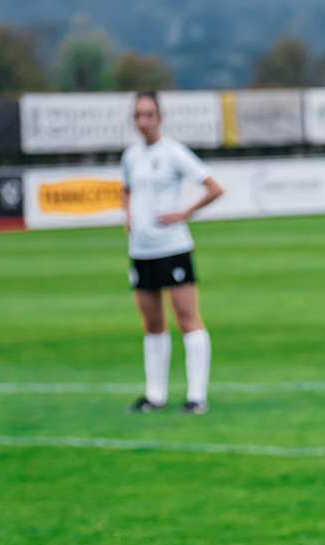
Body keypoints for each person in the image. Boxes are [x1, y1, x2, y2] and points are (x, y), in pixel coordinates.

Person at [120, 91, 224, 414]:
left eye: (149, 115)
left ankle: (197, 397)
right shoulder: (130, 156)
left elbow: (214, 187)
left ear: (160, 118)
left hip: (173, 248)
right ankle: (156, 396)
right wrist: (128, 215)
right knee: (152, 322)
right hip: (141, 251)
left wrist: (185, 212)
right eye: (138, 115)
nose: (143, 121)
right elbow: (125, 190)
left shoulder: (173, 152)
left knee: (187, 319)